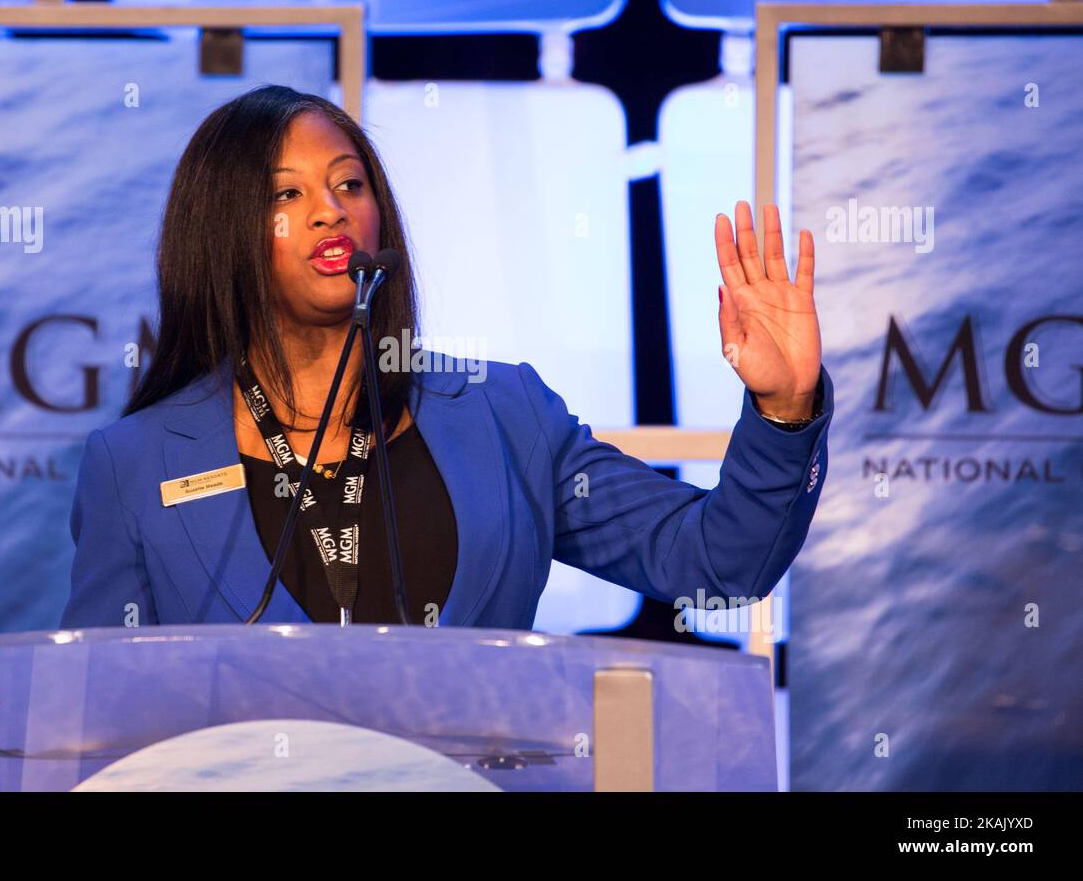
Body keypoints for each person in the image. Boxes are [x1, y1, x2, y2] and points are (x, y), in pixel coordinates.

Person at [59, 85, 831, 631]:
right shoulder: (136, 465)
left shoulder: (504, 417)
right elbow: (95, 714)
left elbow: (715, 566)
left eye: (348, 184)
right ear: (221, 233)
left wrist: (784, 411)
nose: (330, 209)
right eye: (284, 196)